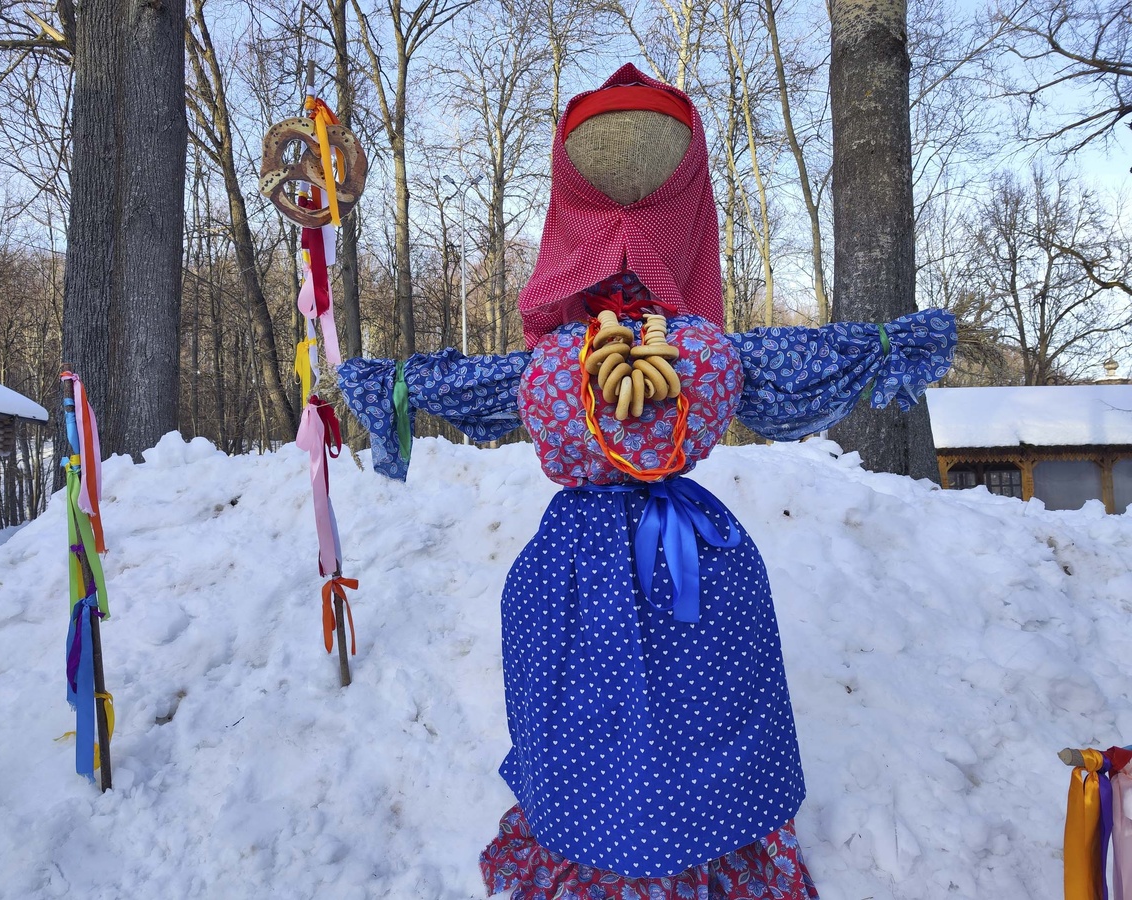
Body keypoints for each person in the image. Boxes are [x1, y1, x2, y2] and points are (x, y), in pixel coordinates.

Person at [338, 64, 955, 900]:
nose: (626, 176)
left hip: (629, 558)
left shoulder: (680, 352)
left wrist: (885, 346)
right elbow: (473, 385)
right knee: (609, 719)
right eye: (605, 156)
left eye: (649, 157)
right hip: (628, 558)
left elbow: (802, 365)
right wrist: (384, 384)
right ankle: (626, 838)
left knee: (686, 711)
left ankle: (687, 840)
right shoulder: (648, 355)